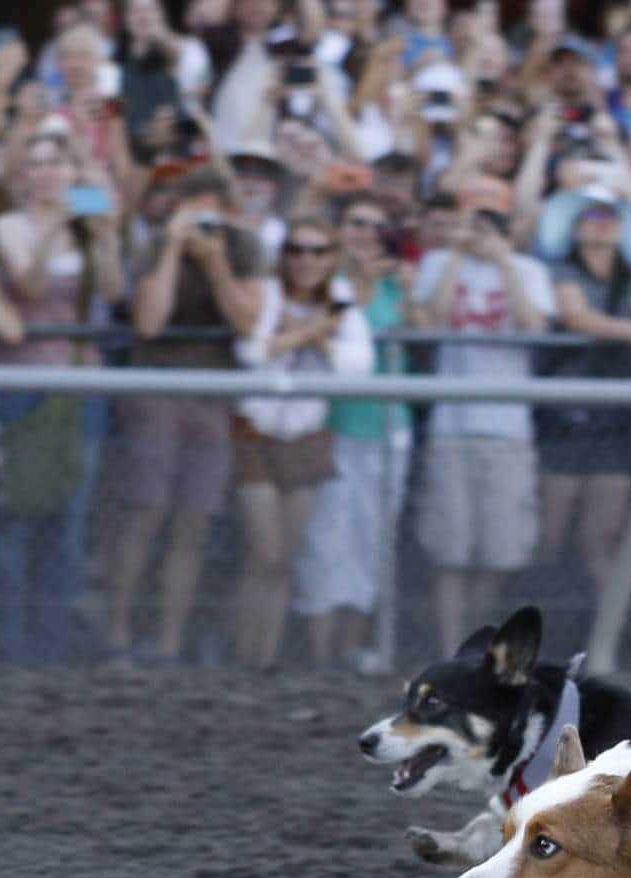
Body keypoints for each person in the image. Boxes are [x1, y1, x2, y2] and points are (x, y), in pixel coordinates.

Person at [104, 165, 265, 667]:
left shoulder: (243, 247)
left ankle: (171, 643)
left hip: (213, 395)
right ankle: (116, 637)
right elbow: (149, 323)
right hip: (155, 389)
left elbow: (247, 323)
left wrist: (216, 265)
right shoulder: (155, 244)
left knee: (194, 522)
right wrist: (172, 248)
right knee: (144, 514)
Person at [0, 130, 113, 665]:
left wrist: (100, 235)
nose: (47, 174)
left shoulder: (87, 224)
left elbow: (114, 291)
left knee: (68, 526)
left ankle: (50, 650)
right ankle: (6, 649)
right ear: (22, 175)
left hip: (83, 389)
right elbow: (30, 287)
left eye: (57, 163)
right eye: (35, 164)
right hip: (20, 390)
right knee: (12, 522)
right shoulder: (5, 225)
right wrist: (55, 224)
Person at [410, 178, 556, 654]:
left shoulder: (529, 269)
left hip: (508, 429)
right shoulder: (437, 263)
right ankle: (450, 649)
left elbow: (534, 327)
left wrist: (503, 261)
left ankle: (480, 651)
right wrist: (456, 253)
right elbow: (431, 323)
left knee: (498, 553)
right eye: (475, 218)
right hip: (452, 427)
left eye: (492, 220)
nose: (482, 228)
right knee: (449, 552)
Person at [230, 212, 374, 671]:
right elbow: (251, 349)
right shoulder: (267, 293)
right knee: (265, 551)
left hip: (308, 435)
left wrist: (305, 338)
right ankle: (242, 655)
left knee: (284, 558)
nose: (306, 260)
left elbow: (358, 367)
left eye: (317, 251)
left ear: (332, 258)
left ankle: (265, 660)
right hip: (256, 431)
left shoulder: (342, 298)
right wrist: (315, 332)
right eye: (296, 249)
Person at [296, 191, 411, 673]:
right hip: (335, 426)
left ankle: (353, 650)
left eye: (376, 226)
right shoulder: (322, 277)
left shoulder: (397, 284)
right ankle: (320, 655)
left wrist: (405, 287)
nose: (365, 234)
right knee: (327, 541)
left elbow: (427, 326)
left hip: (389, 427)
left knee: (371, 543)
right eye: (356, 222)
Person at [538, 188, 631, 599]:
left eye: (610, 216)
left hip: (615, 419)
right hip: (565, 419)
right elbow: (576, 317)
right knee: (550, 536)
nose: (603, 223)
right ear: (574, 228)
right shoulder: (561, 270)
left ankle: (606, 639)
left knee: (604, 536)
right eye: (592, 216)